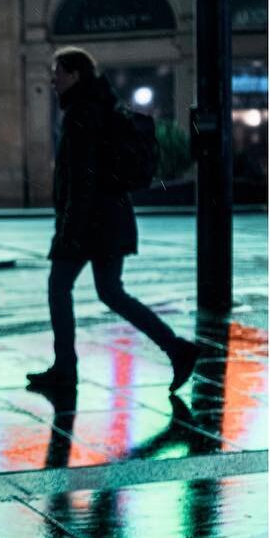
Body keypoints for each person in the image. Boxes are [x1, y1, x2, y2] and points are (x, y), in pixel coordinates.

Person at [27, 47, 200, 394]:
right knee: (110, 292)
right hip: (110, 218)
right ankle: (177, 349)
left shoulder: (82, 112)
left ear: (75, 74)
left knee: (60, 287)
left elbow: (82, 178)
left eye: (58, 71)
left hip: (90, 222)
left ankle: (66, 369)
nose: (52, 78)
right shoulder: (101, 105)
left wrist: (69, 230)